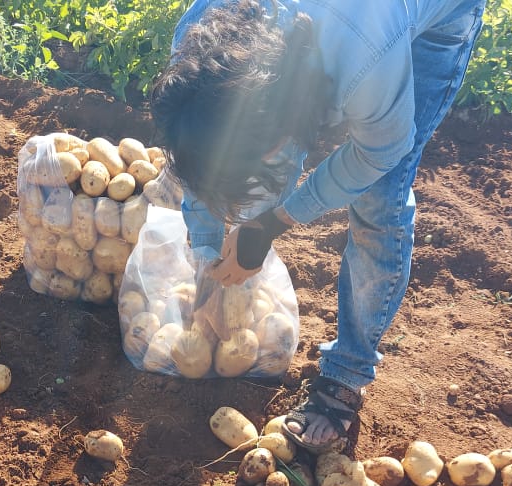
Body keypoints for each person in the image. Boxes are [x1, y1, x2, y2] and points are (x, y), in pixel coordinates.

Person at [151, 0, 486, 454]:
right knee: (229, 163)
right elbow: (197, 154)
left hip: (421, 22)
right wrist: (207, 248)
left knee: (379, 197)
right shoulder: (198, 37)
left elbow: (379, 152)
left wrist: (273, 222)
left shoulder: (364, 51)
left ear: (279, 138)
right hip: (326, 50)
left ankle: (348, 370)